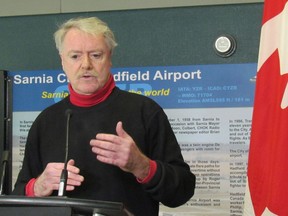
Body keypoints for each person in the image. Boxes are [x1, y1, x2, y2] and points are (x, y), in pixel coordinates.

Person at [12, 17, 195, 216]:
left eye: (96, 55)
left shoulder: (145, 111)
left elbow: (182, 191)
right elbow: (18, 199)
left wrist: (141, 166)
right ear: (62, 61)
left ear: (110, 57)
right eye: (75, 56)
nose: (86, 65)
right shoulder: (46, 121)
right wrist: (38, 187)